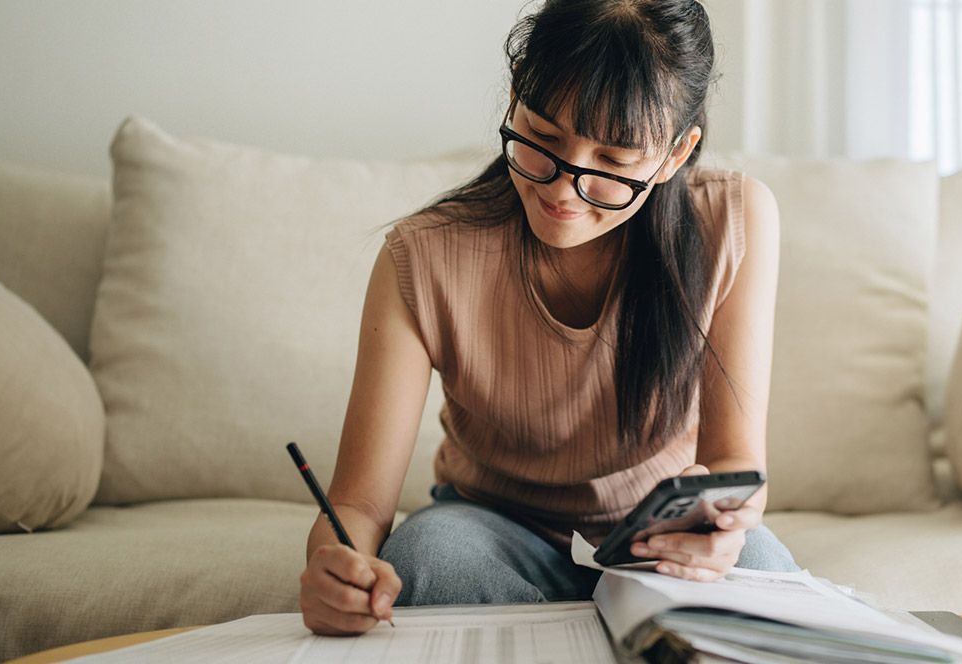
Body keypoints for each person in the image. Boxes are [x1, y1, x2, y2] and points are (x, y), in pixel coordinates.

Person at [297, 0, 796, 636]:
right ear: (513, 96)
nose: (562, 191)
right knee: (429, 560)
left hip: (658, 531)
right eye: (542, 139)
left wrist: (724, 526)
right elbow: (359, 504)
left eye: (614, 163)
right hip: (490, 525)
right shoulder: (423, 255)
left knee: (758, 568)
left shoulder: (734, 218)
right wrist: (335, 567)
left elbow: (736, 471)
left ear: (675, 155)